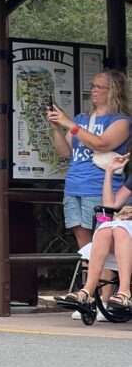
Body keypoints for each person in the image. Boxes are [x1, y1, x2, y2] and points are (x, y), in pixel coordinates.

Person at [48, 70, 132, 250]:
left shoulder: (122, 121)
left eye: (99, 87)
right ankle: (88, 278)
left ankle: (100, 277)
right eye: (92, 86)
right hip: (73, 187)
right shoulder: (82, 119)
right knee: (83, 243)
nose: (93, 90)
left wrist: (70, 124)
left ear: (113, 91)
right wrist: (56, 128)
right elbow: (65, 152)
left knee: (102, 241)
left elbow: (102, 144)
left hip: (99, 188)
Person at [58, 152, 132, 311]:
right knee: (105, 229)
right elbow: (110, 204)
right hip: (125, 229)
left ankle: (124, 292)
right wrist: (109, 172)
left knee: (119, 228)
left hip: (125, 230)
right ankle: (87, 291)